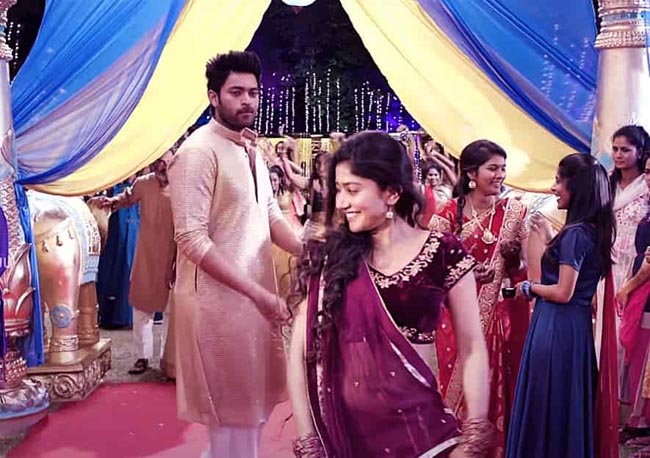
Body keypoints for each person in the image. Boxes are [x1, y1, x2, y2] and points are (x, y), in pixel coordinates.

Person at [287, 131, 494, 457]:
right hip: (345, 440)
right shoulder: (330, 258)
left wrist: (474, 436)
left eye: (352, 190)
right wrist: (308, 441)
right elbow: (302, 353)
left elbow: (472, 348)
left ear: (392, 193)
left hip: (423, 435)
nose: (340, 203)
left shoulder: (443, 251)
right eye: (338, 190)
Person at [167, 50, 302, 458]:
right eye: (236, 92)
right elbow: (191, 238)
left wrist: (314, 251)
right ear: (214, 97)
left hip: (253, 298)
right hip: (217, 303)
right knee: (231, 414)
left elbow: (270, 216)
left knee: (252, 409)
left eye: (253, 93)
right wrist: (258, 294)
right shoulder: (199, 152)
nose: (247, 101)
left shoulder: (250, 150)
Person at [506, 154, 616, 458]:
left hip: (556, 325)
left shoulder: (576, 233)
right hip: (574, 330)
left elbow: (563, 292)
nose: (554, 188)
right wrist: (550, 238)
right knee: (564, 402)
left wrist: (527, 288)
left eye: (558, 181)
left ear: (575, 187)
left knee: (547, 399)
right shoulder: (590, 230)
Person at [429, 140, 529, 456]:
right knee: (455, 383)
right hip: (456, 317)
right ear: (471, 173)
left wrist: (514, 260)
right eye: (492, 168)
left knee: (499, 378)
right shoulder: (447, 214)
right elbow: (431, 270)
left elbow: (523, 271)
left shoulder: (514, 212)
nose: (500, 175)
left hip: (501, 314)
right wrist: (466, 275)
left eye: (503, 168)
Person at [98, 155, 176, 375]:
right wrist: (112, 202)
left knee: (171, 312)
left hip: (174, 258)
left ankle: (168, 360)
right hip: (146, 257)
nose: (161, 166)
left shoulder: (183, 184)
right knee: (141, 308)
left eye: (166, 161)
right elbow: (128, 197)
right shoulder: (144, 183)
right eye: (157, 161)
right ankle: (141, 357)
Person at [618, 155, 650, 446]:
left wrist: (628, 286)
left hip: (645, 291)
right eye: (649, 172)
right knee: (640, 355)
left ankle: (642, 425)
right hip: (643, 292)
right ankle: (638, 423)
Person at [96, 175, 140, 329]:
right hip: (116, 220)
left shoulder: (140, 184)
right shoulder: (114, 187)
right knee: (111, 266)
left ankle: (122, 315)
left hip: (131, 219)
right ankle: (108, 314)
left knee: (126, 264)